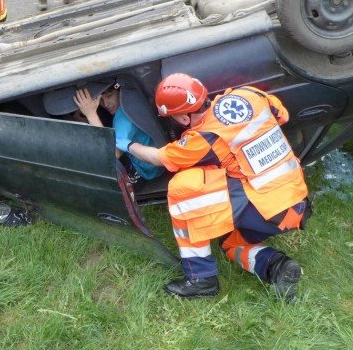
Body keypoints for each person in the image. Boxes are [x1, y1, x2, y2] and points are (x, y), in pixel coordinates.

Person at [127, 74, 311, 300]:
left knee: (183, 188)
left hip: (267, 209)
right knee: (231, 245)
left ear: (183, 118)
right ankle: (277, 266)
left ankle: (200, 278)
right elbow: (282, 114)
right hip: (295, 202)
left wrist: (128, 144)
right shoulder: (248, 94)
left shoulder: (204, 137)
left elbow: (156, 158)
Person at [73, 83, 165, 183]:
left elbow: (113, 153)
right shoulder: (130, 102)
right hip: (157, 160)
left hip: (147, 170)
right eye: (101, 100)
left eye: (109, 95)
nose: (106, 104)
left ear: (119, 91)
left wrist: (91, 115)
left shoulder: (122, 118)